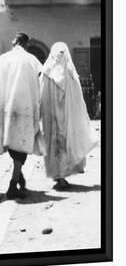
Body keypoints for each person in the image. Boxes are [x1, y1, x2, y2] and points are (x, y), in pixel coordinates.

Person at [0, 32, 45, 199]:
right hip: (26, 109)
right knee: (22, 146)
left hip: (7, 109)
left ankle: (17, 178)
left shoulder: (3, 59)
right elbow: (40, 82)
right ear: (26, 44)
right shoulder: (31, 60)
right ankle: (13, 183)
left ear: (15, 43)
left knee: (13, 145)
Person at [40, 42, 98, 190]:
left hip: (60, 119)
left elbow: (78, 100)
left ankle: (61, 176)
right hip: (59, 119)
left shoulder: (52, 73)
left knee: (59, 145)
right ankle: (60, 177)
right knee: (60, 145)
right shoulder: (65, 74)